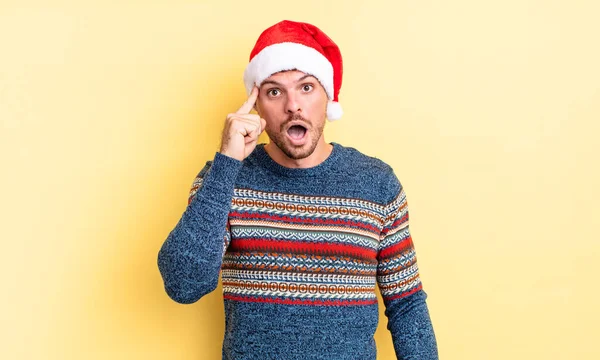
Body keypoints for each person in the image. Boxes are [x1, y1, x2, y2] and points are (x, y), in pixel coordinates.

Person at [157, 20, 439, 360]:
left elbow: (407, 305)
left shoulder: (375, 183)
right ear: (257, 105)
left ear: (328, 97)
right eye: (274, 91)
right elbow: (183, 284)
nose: (293, 105)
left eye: (306, 88)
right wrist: (227, 162)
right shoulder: (223, 178)